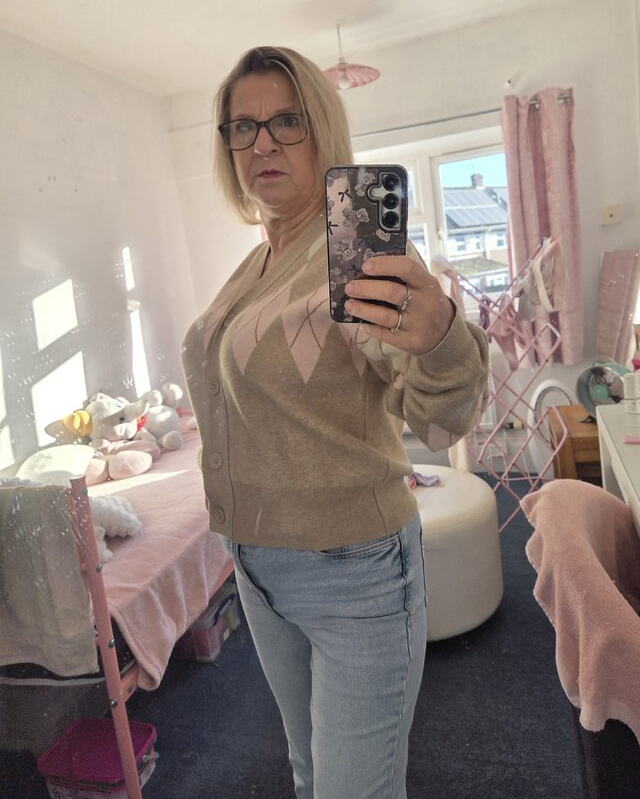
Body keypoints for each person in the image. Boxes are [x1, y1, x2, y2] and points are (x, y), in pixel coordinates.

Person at [181, 46, 489, 799]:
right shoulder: (255, 265)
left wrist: (441, 338)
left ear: (322, 130)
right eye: (243, 127)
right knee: (307, 771)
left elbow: (440, 415)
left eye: (286, 121)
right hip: (255, 563)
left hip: (351, 570)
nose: (263, 143)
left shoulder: (353, 248)